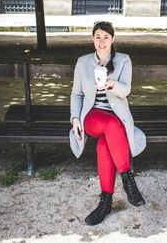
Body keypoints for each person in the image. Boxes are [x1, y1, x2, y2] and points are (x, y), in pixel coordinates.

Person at [69, 21, 146, 226]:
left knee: (105, 144)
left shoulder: (123, 60)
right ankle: (128, 178)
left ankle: (105, 201)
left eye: (106, 37)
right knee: (111, 126)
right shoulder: (83, 62)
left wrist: (112, 84)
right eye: (97, 37)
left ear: (113, 39)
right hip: (92, 116)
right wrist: (75, 117)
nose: (102, 41)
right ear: (92, 39)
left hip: (117, 115)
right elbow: (76, 93)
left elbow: (126, 90)